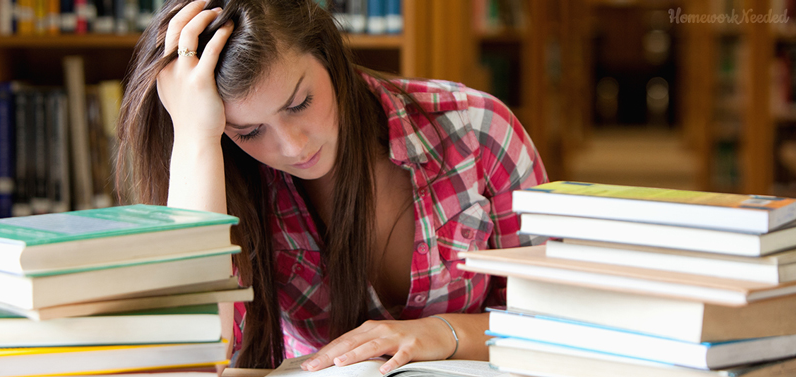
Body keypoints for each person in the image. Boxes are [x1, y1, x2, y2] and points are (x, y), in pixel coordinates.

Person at [116, 0, 548, 372]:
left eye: (299, 103)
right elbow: (194, 353)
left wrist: (445, 333)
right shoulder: (225, 174)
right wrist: (195, 136)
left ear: (328, 54)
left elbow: (561, 323)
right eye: (249, 132)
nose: (292, 145)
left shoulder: (478, 131)